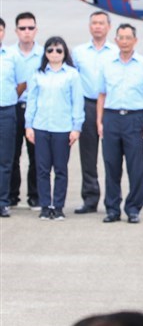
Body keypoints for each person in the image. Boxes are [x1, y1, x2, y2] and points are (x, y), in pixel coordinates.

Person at [97, 23, 143, 224]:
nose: (124, 42)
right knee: (111, 165)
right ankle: (112, 209)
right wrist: (100, 122)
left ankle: (133, 208)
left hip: (134, 119)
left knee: (135, 166)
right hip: (112, 117)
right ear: (116, 40)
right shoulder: (107, 64)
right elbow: (102, 95)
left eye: (128, 38)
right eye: (120, 38)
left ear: (135, 40)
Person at [24, 37, 84, 220]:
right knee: (42, 169)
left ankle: (58, 206)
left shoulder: (72, 74)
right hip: (41, 126)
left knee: (60, 169)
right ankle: (44, 205)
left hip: (62, 127)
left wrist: (76, 127)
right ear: (45, 53)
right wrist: (29, 125)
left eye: (59, 50)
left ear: (65, 52)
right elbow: (31, 101)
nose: (54, 54)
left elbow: (77, 102)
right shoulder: (38, 74)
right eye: (50, 50)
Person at [72, 11, 118, 214]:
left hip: (110, 107)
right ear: (89, 26)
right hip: (87, 105)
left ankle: (112, 200)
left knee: (112, 155)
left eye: (101, 23)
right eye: (94, 23)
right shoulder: (79, 52)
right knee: (88, 155)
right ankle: (90, 199)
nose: (97, 26)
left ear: (108, 27)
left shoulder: (116, 51)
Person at [10, 11, 43, 210]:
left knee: (36, 155)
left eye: (31, 28)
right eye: (22, 28)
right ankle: (11, 194)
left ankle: (35, 195)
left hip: (35, 108)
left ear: (36, 30)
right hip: (14, 107)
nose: (27, 32)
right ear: (16, 31)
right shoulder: (7, 54)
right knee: (10, 154)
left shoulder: (44, 54)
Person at [0, 17, 25, 218]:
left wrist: (8, 97)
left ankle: (2, 201)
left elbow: (21, 83)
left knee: (6, 159)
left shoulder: (12, 55)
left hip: (6, 112)